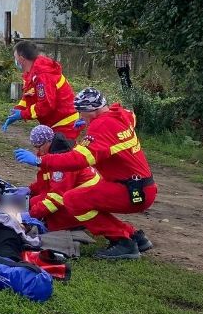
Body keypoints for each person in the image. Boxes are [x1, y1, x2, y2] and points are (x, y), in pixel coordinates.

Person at [13, 88, 156, 260]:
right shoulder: (120, 114)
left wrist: (40, 161)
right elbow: (130, 118)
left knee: (74, 200)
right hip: (137, 185)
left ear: (92, 110)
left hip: (132, 190)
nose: (80, 117)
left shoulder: (102, 125)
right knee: (83, 198)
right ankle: (132, 235)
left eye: (81, 112)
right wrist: (89, 126)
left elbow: (77, 160)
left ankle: (123, 242)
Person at [1, 40, 80, 140]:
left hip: (64, 124)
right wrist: (18, 109)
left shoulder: (42, 75)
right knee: (45, 152)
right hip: (54, 122)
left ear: (21, 59)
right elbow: (28, 96)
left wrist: (22, 114)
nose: (15, 60)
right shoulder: (31, 73)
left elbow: (46, 105)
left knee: (55, 154)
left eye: (15, 57)